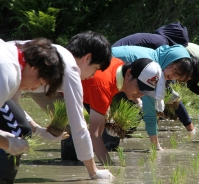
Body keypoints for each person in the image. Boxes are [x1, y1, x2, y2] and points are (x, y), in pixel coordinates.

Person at [11, 31, 114, 180]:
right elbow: (78, 125)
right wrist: (94, 172)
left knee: (20, 129)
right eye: (95, 69)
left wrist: (39, 130)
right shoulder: (70, 69)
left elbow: (12, 101)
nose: (93, 75)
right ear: (87, 58)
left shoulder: (58, 52)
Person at [111, 44, 199, 151]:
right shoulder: (151, 70)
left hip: (113, 77)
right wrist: (156, 147)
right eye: (174, 69)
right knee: (110, 137)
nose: (173, 75)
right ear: (170, 59)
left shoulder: (159, 61)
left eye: (178, 76)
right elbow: (149, 113)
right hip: (100, 73)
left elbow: (171, 98)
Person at [0, 38, 65, 183]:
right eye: (40, 83)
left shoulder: (9, 55)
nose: (34, 89)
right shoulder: (8, 72)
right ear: (34, 68)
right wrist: (7, 143)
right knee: (18, 130)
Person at [82, 57, 163, 165]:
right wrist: (110, 167)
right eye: (140, 87)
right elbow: (95, 135)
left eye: (145, 90)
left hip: (87, 93)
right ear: (128, 75)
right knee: (77, 132)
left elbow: (126, 87)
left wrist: (139, 102)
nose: (141, 94)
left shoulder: (120, 68)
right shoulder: (103, 85)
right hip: (60, 92)